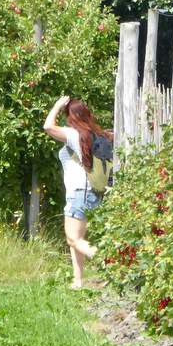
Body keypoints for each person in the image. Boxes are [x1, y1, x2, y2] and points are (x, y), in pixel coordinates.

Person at [42, 95, 111, 289]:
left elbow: (48, 126)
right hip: (91, 192)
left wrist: (56, 106)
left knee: (73, 238)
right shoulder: (95, 134)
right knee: (76, 239)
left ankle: (109, 262)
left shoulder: (75, 134)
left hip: (79, 193)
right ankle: (78, 281)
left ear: (71, 116)